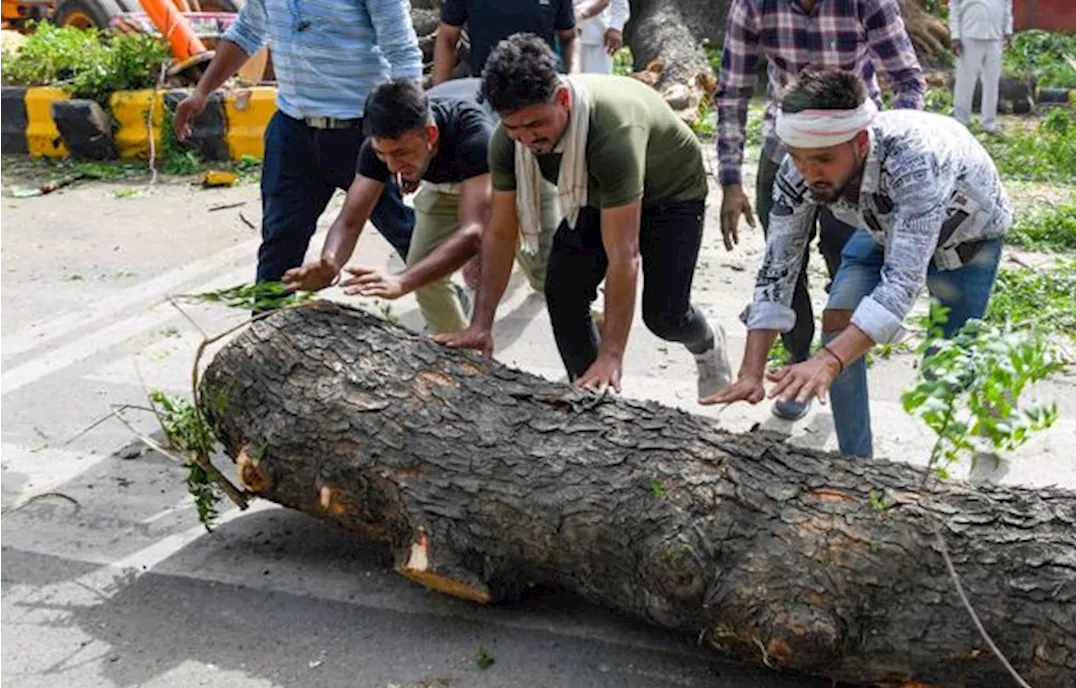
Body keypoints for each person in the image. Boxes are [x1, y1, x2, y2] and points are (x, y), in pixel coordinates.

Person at [701, 67, 1012, 459]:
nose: (810, 173)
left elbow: (901, 285)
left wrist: (828, 362)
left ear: (861, 141)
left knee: (947, 371)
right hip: (881, 225)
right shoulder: (799, 171)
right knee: (838, 324)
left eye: (824, 160)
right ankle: (855, 466)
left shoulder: (915, 162)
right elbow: (777, 268)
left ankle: (997, 386)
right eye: (799, 159)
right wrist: (751, 370)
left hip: (968, 238)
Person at [434, 33, 733, 397]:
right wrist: (481, 324)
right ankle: (590, 392)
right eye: (515, 127)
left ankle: (706, 340)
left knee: (665, 316)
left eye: (536, 124)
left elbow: (624, 255)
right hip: (592, 194)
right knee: (562, 288)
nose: (527, 138)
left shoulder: (612, 134)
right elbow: (499, 233)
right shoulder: (505, 142)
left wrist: (612, 353)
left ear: (562, 99)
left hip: (671, 193)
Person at [716, 0, 925, 422]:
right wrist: (731, 180)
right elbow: (734, 90)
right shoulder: (753, 6)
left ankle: (836, 365)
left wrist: (890, 157)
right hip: (785, 149)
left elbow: (908, 80)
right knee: (781, 267)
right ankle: (795, 367)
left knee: (847, 274)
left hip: (853, 158)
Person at [173, 0, 421, 309]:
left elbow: (403, 54)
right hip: (293, 132)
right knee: (280, 245)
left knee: (404, 231)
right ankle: (266, 336)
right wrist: (201, 92)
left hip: (362, 131)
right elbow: (247, 32)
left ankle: (454, 316)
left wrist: (409, 141)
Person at [281, 78, 556, 332]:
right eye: (382, 155)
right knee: (424, 269)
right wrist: (330, 262)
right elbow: (351, 219)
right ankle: (460, 362)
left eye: (401, 153)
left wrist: (402, 282)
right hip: (445, 187)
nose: (391, 165)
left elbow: (474, 232)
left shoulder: (474, 134)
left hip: (513, 175)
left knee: (551, 275)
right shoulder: (381, 145)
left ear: (431, 134)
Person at [433, 0, 579, 86]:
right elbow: (447, 38)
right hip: (486, 91)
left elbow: (569, 37)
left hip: (541, 91)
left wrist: (574, 79)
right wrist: (438, 92)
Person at [950, 0, 1014, 132]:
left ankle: (989, 123)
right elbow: (954, 6)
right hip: (969, 35)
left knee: (992, 82)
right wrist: (955, 35)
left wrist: (1008, 31)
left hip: (995, 37)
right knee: (965, 81)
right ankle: (960, 121)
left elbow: (1007, 6)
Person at [576, 0, 629, 74]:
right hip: (561, 32)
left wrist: (615, 26)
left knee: (597, 81)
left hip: (596, 34)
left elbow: (619, 3)